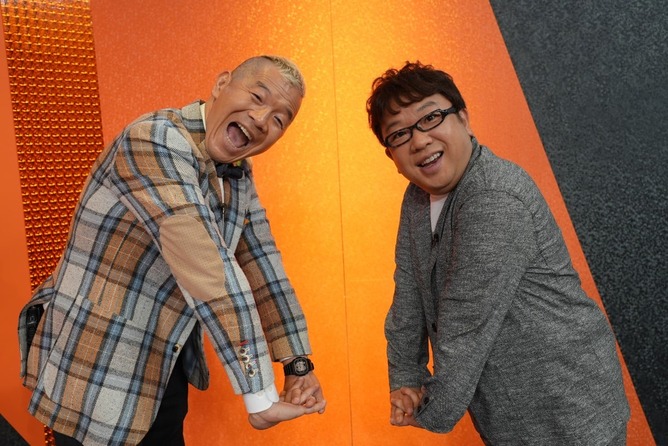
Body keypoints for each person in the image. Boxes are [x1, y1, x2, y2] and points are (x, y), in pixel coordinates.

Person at [18, 55, 326, 446]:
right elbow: (205, 265)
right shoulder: (154, 140)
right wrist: (259, 394)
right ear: (221, 84)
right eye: (257, 97)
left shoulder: (237, 172)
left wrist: (297, 364)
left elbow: (264, 266)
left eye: (280, 119)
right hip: (95, 367)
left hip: (163, 364)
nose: (263, 119)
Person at [366, 61, 629, 445]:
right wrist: (406, 377)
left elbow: (466, 323)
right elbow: (407, 292)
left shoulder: (494, 196)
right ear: (392, 157)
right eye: (400, 134)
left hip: (569, 408)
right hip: (507, 408)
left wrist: (431, 411)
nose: (419, 141)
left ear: (464, 120)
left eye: (431, 118)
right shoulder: (417, 199)